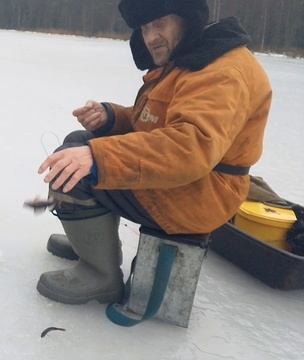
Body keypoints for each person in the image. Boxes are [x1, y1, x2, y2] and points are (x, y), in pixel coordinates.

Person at [34, 0, 272, 305]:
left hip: (200, 193)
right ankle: (94, 244)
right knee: (78, 141)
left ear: (187, 18)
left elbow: (190, 146)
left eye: (159, 23)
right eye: (145, 27)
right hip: (189, 181)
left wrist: (99, 157)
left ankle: (100, 276)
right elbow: (157, 122)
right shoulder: (192, 56)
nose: (150, 37)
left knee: (76, 174)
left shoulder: (222, 71)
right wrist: (111, 117)